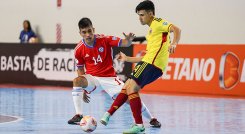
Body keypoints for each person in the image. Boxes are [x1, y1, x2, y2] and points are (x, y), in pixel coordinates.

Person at [100, 0, 181, 133]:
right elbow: (147, 55)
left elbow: (176, 29)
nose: (140, 18)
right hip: (148, 62)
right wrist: (127, 59)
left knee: (132, 87)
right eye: (138, 15)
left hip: (153, 64)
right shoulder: (150, 32)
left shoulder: (158, 23)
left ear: (151, 13)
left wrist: (175, 44)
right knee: (127, 86)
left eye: (142, 15)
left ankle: (138, 124)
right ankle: (108, 115)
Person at [68, 17, 161, 128]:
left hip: (109, 78)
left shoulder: (105, 39)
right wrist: (83, 88)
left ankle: (152, 119)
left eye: (89, 31)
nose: (88, 34)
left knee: (130, 96)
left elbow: (125, 43)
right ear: (80, 33)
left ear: (93, 29)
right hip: (93, 78)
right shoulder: (79, 49)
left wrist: (129, 40)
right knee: (77, 81)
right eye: (84, 32)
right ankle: (78, 114)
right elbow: (80, 69)